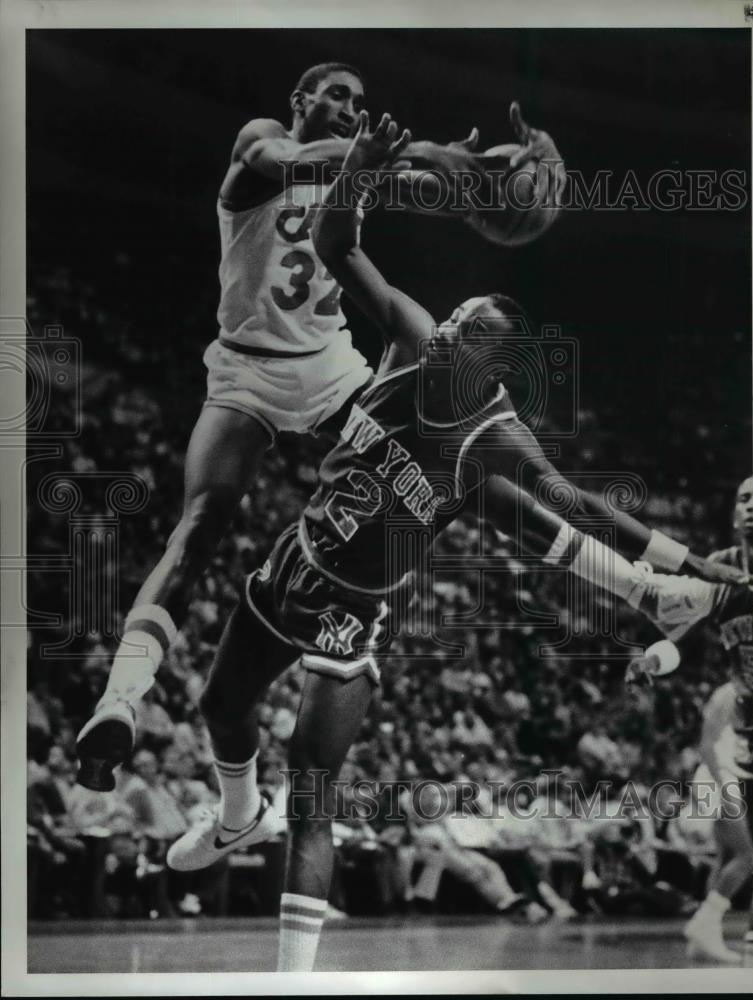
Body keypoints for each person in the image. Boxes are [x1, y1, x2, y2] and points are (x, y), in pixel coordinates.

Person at [160, 117, 748, 971]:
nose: (453, 322)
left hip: (357, 611)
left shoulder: (494, 430)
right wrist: (358, 172)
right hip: (296, 557)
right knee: (220, 710)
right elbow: (334, 238)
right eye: (458, 313)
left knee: (315, 786)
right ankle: (236, 812)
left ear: (487, 360)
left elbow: (579, 502)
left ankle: (290, 981)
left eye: (468, 325)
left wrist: (692, 561)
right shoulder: (408, 334)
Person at [76, 63, 542, 792]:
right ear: (300, 101)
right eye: (338, 96)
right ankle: (121, 701)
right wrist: (403, 154)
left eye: (360, 102)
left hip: (328, 365)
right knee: (203, 520)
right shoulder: (261, 143)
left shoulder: (357, 169)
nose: (351, 109)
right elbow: (297, 162)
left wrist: (492, 174)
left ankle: (608, 562)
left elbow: (437, 189)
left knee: (439, 461)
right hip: (246, 370)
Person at [626, 476, 753, 960]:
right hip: (739, 735)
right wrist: (652, 661)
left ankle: (719, 936)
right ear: (732, 512)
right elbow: (679, 636)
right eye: (744, 499)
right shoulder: (719, 568)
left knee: (744, 854)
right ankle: (717, 932)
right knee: (750, 853)